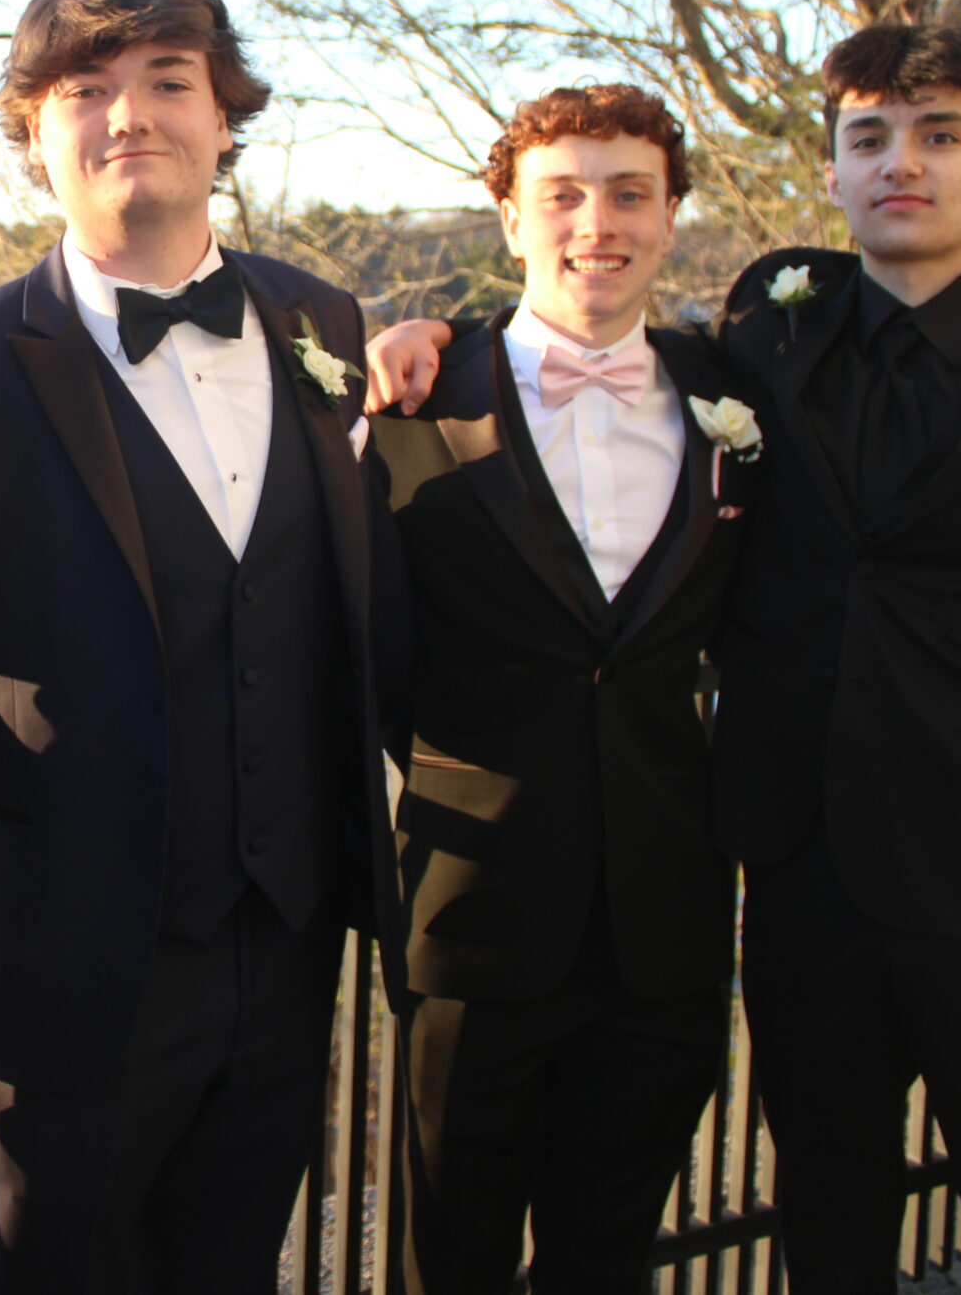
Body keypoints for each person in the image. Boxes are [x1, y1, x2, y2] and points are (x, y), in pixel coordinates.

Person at [365, 26, 961, 1292]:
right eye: (869, 138)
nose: (901, 164)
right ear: (832, 171)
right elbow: (569, 317)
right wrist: (431, 330)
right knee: (825, 1239)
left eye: (939, 135)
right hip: (803, 894)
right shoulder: (767, 339)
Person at [0, 0, 408, 1293]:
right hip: (67, 960)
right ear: (34, 132)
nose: (130, 115)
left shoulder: (320, 321)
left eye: (168, 80)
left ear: (224, 115)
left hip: (288, 942)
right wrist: (25, 792)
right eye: (85, 90)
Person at [369, 84, 744, 1293]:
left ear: (671, 217)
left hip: (666, 927)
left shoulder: (730, 398)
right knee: (450, 1261)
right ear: (510, 219)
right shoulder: (408, 402)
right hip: (472, 911)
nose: (598, 223)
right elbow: (367, 651)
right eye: (563, 195)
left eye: (631, 194)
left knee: (608, 1256)